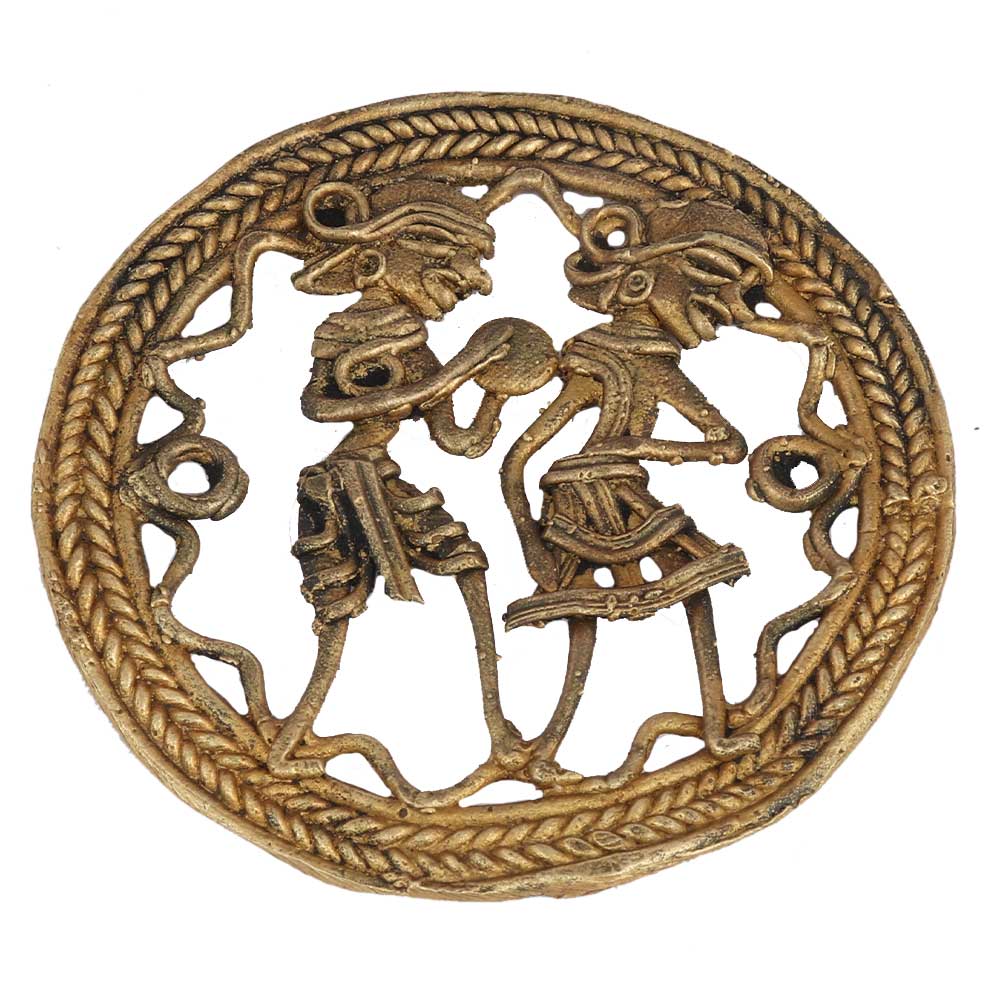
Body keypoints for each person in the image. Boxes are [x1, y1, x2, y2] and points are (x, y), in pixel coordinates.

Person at [501, 198, 779, 787]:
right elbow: (518, 457)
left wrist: (635, 448)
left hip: (616, 493)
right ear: (639, 283)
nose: (723, 308)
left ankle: (711, 726)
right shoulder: (620, 364)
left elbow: (727, 444)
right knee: (595, 617)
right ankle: (550, 749)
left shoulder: (646, 365)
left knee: (686, 587)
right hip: (580, 502)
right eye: (703, 287)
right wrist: (528, 537)